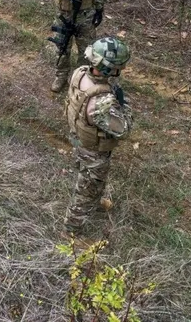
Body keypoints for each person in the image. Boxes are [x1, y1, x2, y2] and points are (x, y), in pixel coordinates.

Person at [63, 37, 132, 234]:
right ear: (110, 69)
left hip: (78, 136)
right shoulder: (103, 102)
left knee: (89, 177)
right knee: (86, 189)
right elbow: (124, 129)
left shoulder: (79, 74)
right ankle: (71, 229)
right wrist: (124, 102)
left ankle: (95, 196)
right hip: (94, 150)